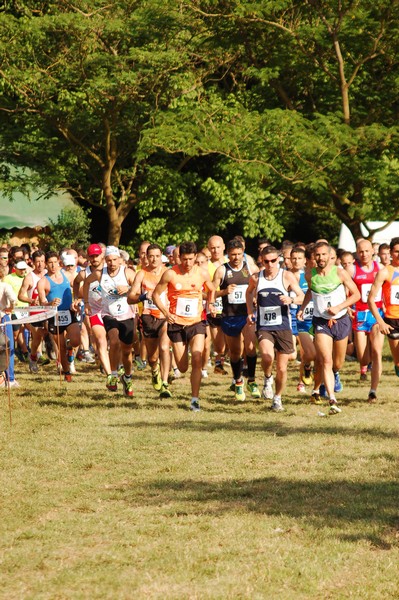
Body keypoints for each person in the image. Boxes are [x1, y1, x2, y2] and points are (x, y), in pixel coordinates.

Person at [152, 241, 216, 412]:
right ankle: (166, 369)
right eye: (184, 259)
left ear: (195, 257)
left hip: (196, 322)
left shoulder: (202, 273)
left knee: (197, 357)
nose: (187, 263)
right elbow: (155, 295)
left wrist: (211, 304)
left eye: (190, 259)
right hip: (177, 324)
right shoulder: (170, 274)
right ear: (179, 257)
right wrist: (166, 313)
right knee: (182, 367)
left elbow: (211, 289)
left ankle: (195, 399)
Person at [297, 242, 360, 413]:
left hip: (340, 320)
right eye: (317, 255)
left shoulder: (340, 273)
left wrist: (339, 308)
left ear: (330, 256)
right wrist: (302, 308)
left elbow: (356, 295)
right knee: (325, 360)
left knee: (337, 363)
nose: (321, 258)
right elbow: (311, 291)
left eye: (324, 254)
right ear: (314, 257)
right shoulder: (310, 274)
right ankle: (332, 399)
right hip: (321, 322)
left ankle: (329, 379)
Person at [246, 245, 304, 411]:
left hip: (283, 326)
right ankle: (267, 378)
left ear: (278, 259)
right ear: (262, 261)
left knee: (282, 367)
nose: (270, 264)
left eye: (273, 260)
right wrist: (250, 311)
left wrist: (290, 300)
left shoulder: (286, 276)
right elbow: (248, 293)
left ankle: (277, 398)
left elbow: (301, 296)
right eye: (266, 261)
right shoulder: (256, 278)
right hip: (264, 326)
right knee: (266, 356)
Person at [213, 239, 260, 401]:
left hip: (247, 315)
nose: (236, 258)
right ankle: (238, 381)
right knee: (235, 352)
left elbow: (259, 288)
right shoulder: (221, 270)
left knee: (251, 347)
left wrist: (255, 298)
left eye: (239, 254)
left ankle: (252, 380)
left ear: (243, 253)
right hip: (229, 316)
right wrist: (224, 292)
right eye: (233, 255)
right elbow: (212, 292)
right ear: (228, 255)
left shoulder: (252, 268)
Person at [127, 243, 171, 398]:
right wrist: (143, 296)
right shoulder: (141, 274)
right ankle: (155, 371)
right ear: (146, 257)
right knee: (152, 357)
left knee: (165, 347)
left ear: (161, 257)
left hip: (166, 316)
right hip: (148, 316)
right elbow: (130, 298)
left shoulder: (169, 272)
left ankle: (165, 384)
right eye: (150, 256)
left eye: (157, 256)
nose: (154, 259)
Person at [345, 239, 384, 402]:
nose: (364, 254)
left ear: (372, 251)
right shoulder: (352, 269)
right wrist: (347, 307)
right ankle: (364, 362)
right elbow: (344, 288)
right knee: (363, 358)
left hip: (377, 314)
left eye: (367, 251)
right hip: (359, 315)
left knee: (377, 352)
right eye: (361, 251)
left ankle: (373, 391)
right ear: (357, 252)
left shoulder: (380, 268)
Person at [95, 246, 136, 397]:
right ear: (105, 261)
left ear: (120, 260)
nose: (112, 263)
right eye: (109, 260)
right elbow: (85, 282)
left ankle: (128, 377)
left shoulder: (128, 273)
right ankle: (112, 375)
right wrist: (85, 302)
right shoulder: (100, 274)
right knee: (114, 341)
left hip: (126, 314)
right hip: (108, 313)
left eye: (114, 260)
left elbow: (140, 290)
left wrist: (129, 288)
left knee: (127, 351)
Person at [37, 252, 81, 381]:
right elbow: (42, 303)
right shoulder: (43, 282)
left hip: (69, 312)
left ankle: (70, 348)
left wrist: (76, 300)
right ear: (46, 264)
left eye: (55, 262)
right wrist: (50, 303)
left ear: (59, 262)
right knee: (60, 346)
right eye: (50, 263)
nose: (53, 265)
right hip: (54, 316)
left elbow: (78, 284)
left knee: (76, 340)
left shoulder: (66, 274)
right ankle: (67, 372)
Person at [368, 237, 399, 379]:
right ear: (391, 252)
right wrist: (380, 321)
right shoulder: (385, 272)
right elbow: (371, 299)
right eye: (397, 251)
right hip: (392, 320)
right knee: (398, 362)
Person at [81, 243, 113, 379]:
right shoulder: (84, 273)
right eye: (92, 256)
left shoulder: (109, 270)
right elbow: (77, 283)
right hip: (95, 311)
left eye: (97, 255)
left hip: (111, 310)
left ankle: (107, 360)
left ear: (102, 256)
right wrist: (79, 298)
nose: (94, 259)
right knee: (100, 340)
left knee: (114, 341)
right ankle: (110, 375)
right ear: (88, 257)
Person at [17, 250, 49, 373]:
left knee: (52, 334)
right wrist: (31, 300)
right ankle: (33, 358)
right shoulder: (30, 277)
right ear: (33, 262)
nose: (40, 264)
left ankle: (59, 362)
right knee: (37, 337)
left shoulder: (48, 274)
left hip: (49, 310)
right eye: (37, 262)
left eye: (42, 261)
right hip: (35, 312)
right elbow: (20, 295)